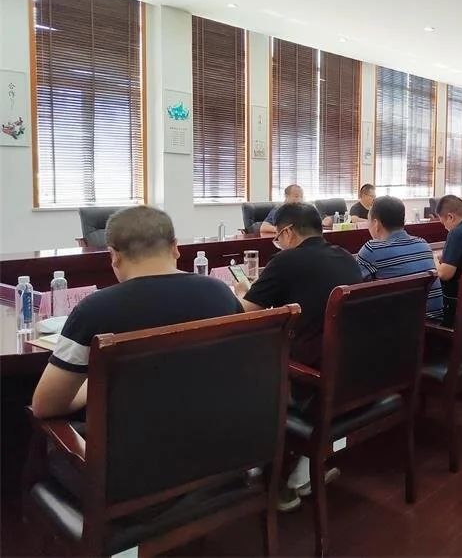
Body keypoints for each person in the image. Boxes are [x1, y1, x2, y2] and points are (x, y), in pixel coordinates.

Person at [32, 206, 243, 419]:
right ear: (175, 247)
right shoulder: (221, 293)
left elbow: (45, 406)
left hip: (130, 438)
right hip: (220, 429)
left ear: (113, 256)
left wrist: (94, 383)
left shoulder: (94, 310)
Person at [235, 202, 360, 511]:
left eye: (278, 236)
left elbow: (245, 312)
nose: (277, 241)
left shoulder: (286, 261)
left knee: (241, 369)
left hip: (310, 380)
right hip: (352, 372)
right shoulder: (346, 256)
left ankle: (263, 472)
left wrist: (241, 291)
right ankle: (301, 471)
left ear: (288, 232)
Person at [356, 196, 443, 319]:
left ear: (376, 224)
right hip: (433, 321)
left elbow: (355, 291)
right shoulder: (423, 244)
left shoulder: (371, 249)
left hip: (400, 326)